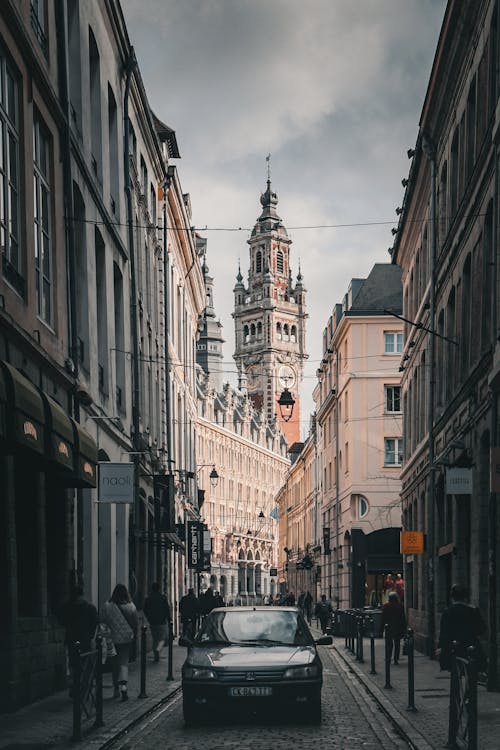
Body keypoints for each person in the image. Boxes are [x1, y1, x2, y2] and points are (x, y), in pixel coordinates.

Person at [437, 584, 487, 672]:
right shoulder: (473, 610)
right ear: (466, 597)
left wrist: (441, 648)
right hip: (470, 644)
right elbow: (481, 629)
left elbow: (444, 633)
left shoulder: (448, 611)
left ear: (452, 598)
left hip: (454, 646)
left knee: (454, 669)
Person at [59, 585, 98, 695]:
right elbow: (95, 622)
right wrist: (91, 635)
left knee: (73, 663)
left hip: (72, 640)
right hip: (85, 640)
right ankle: (83, 687)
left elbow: (62, 621)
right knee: (86, 664)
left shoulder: (67, 607)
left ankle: (74, 684)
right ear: (82, 594)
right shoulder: (90, 607)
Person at [102, 584, 138, 701]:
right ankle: (123, 687)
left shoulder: (107, 606)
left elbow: (103, 621)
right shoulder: (131, 606)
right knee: (123, 663)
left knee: (114, 665)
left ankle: (115, 690)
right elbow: (135, 623)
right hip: (126, 639)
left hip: (112, 639)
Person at [143, 582, 171, 662]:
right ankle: (157, 651)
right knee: (162, 639)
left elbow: (145, 609)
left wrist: (149, 617)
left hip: (153, 622)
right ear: (159, 589)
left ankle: (156, 653)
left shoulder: (148, 598)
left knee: (155, 638)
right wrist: (169, 619)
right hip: (161, 621)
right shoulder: (162, 598)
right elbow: (166, 609)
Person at [381, 590, 406, 664]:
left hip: (388, 628)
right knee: (397, 644)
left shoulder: (386, 606)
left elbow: (383, 619)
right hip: (397, 627)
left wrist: (381, 629)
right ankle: (396, 659)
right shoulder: (400, 606)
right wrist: (404, 628)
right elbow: (403, 618)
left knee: (389, 644)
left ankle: (388, 658)